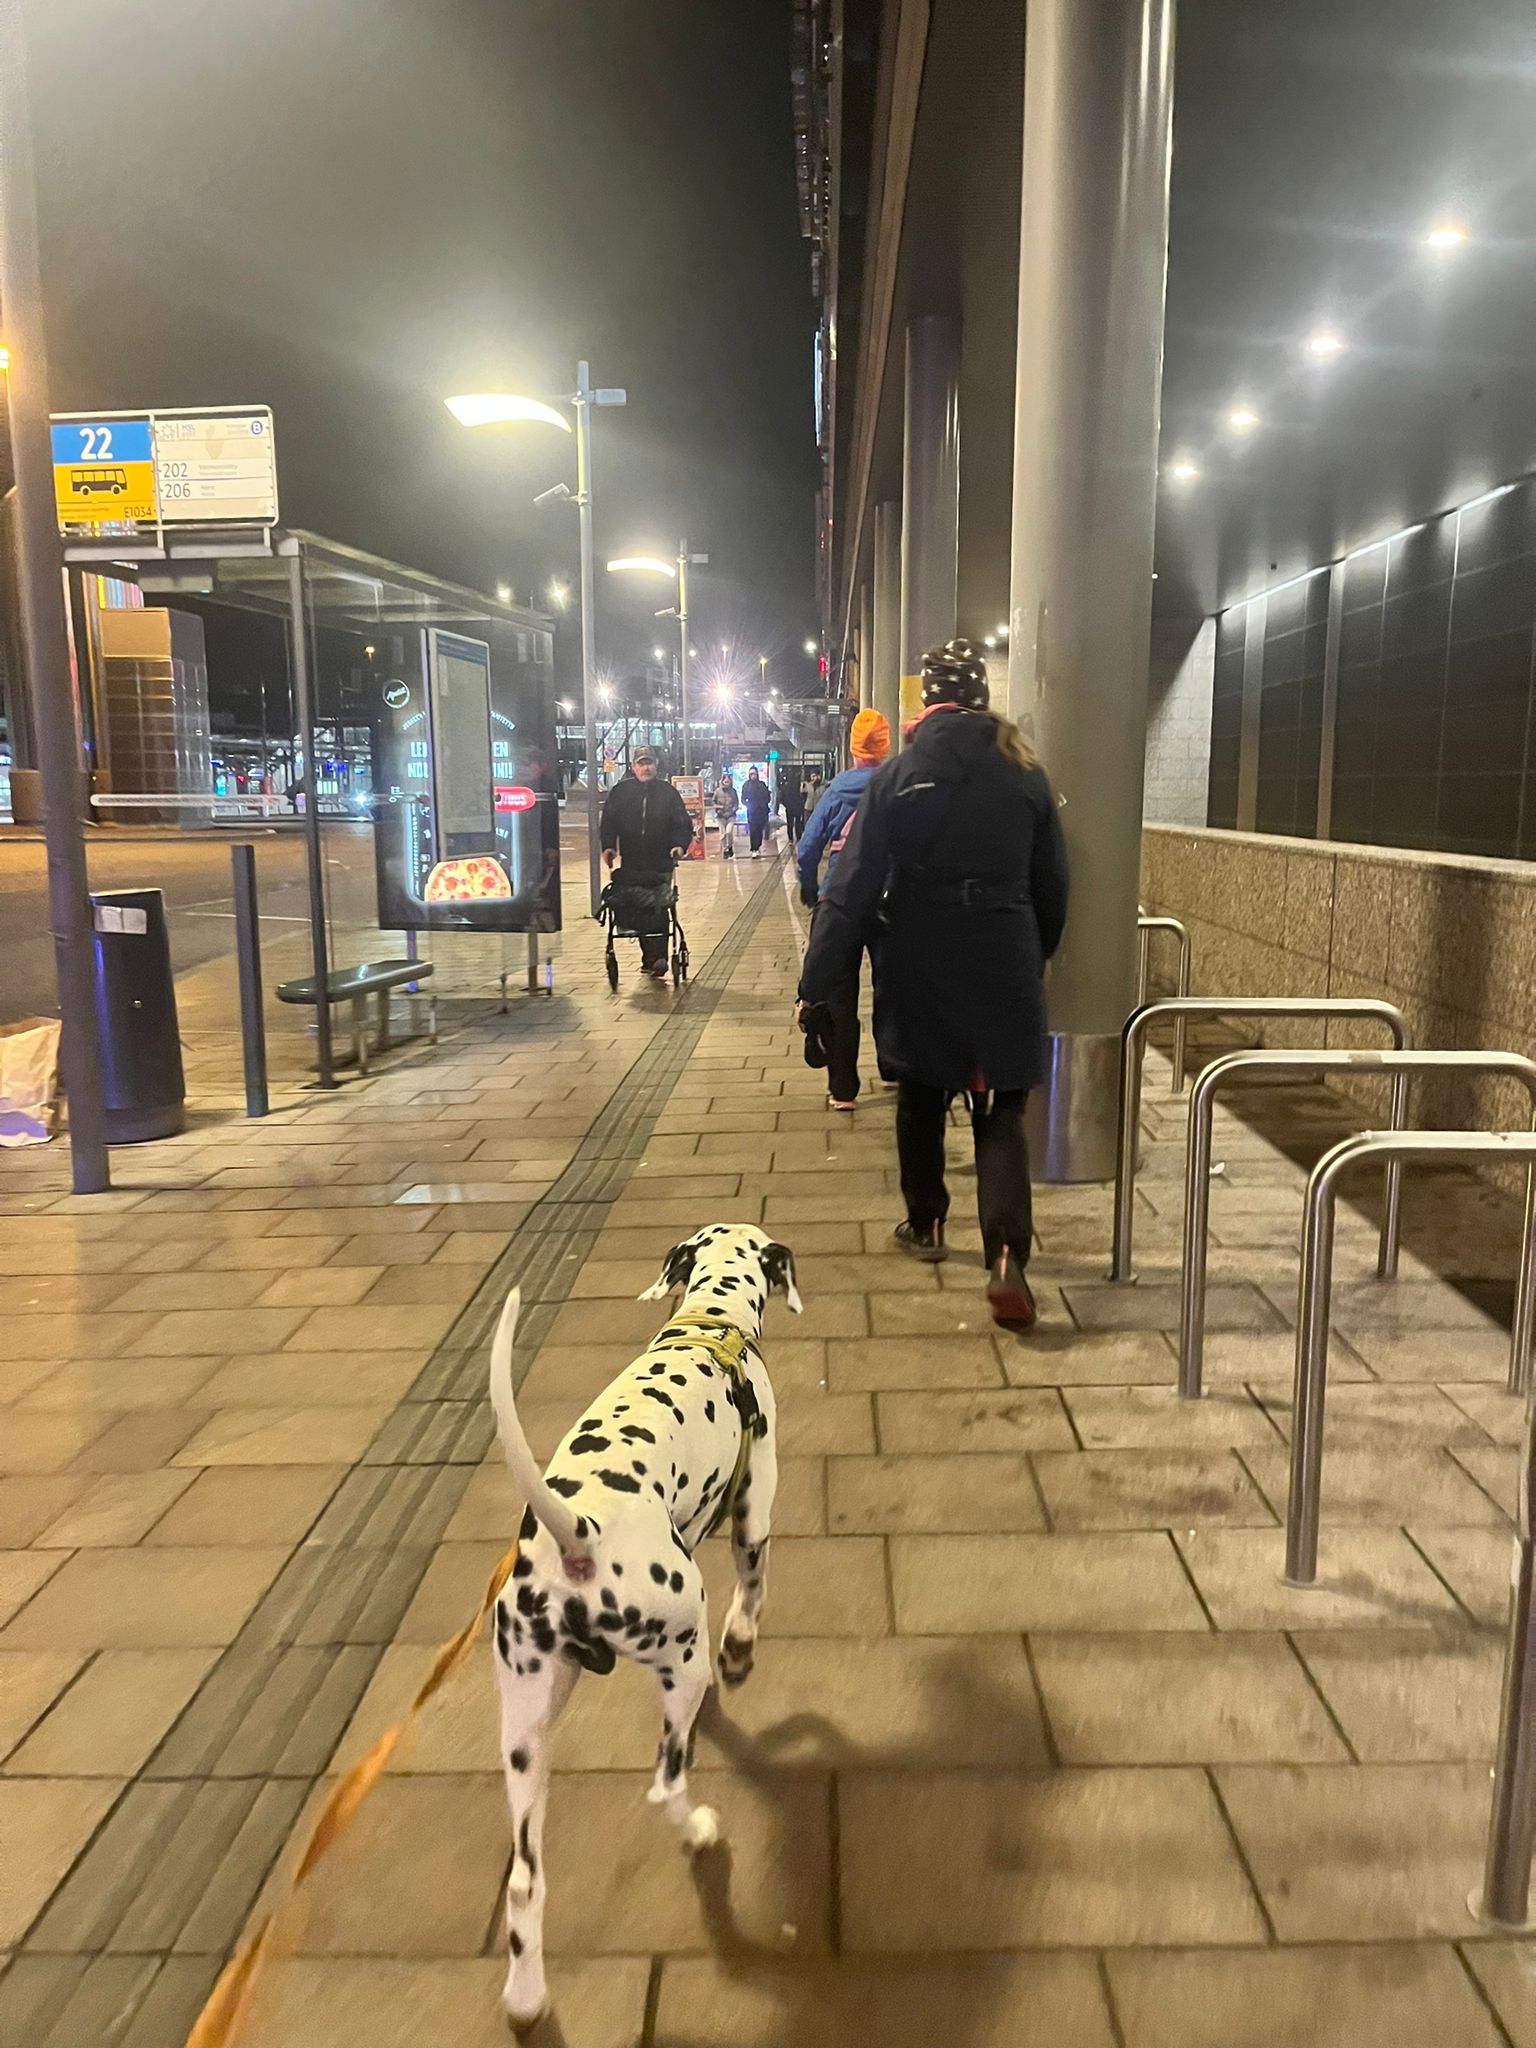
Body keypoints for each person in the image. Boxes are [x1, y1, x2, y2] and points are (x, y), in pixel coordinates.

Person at [798, 639, 1068, 1328]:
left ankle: (927, 1223)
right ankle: (1005, 1256)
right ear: (982, 696)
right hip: (1004, 956)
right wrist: (1034, 954)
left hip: (922, 957)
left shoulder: (899, 775)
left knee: (920, 1096)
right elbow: (1053, 884)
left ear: (929, 699)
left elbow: (850, 890)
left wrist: (816, 979)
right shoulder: (1025, 771)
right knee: (1000, 1110)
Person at [795, 709, 890, 1109]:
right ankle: (892, 1068)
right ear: (885, 747)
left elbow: (807, 848)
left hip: (841, 898)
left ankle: (843, 1089)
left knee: (840, 993)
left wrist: (809, 886)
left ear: (853, 749)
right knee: (891, 988)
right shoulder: (896, 786)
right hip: (888, 901)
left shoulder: (836, 790)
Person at [599, 746, 692, 978]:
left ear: (656, 765)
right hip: (631, 863)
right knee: (638, 906)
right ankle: (650, 959)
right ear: (633, 767)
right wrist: (608, 847)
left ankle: (658, 958)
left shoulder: (668, 793)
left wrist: (679, 845)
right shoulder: (620, 792)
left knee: (658, 906)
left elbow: (681, 823)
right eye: (641, 764)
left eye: (649, 763)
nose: (645, 768)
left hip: (661, 863)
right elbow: (608, 822)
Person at [742, 767, 771, 857]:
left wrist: (764, 804)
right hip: (752, 811)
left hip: (762, 811)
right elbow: (743, 798)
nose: (753, 776)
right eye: (751, 774)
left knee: (760, 829)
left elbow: (767, 797)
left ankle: (758, 846)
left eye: (754, 774)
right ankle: (754, 848)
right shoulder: (746, 785)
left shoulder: (762, 784)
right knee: (753, 829)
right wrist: (748, 805)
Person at [713, 768, 738, 858]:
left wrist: (733, 810)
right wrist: (719, 808)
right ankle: (725, 849)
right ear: (722, 781)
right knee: (722, 834)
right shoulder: (717, 791)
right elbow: (713, 802)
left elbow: (736, 803)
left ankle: (730, 847)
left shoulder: (733, 791)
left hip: (731, 815)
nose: (727, 783)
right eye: (725, 781)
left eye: (728, 781)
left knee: (729, 832)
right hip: (720, 816)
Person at [780, 766, 806, 844]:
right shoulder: (799, 786)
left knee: (790, 824)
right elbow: (804, 795)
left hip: (789, 808)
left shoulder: (785, 786)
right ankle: (798, 838)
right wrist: (801, 804)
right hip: (798, 807)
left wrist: (786, 804)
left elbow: (781, 797)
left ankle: (790, 839)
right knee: (798, 823)